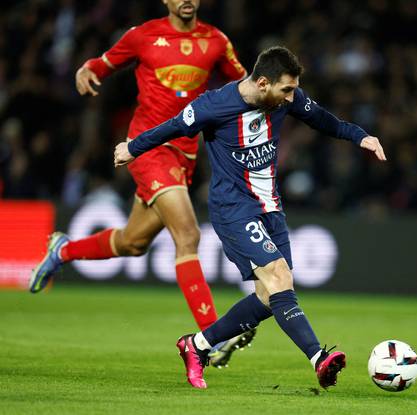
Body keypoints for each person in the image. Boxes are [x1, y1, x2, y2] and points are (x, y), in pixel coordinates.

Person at [113, 46, 387, 389]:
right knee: (279, 276)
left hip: (270, 206)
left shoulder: (285, 99)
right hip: (233, 208)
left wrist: (360, 136)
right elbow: (171, 127)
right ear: (261, 83)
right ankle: (319, 358)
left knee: (269, 297)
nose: (291, 98)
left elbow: (323, 120)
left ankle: (195, 346)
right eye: (285, 90)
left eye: (293, 89)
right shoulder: (214, 105)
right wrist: (132, 147)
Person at [29, 0, 254, 367]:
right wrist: (86, 69)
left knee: (133, 242)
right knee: (188, 235)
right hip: (147, 147)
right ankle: (211, 337)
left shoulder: (215, 41)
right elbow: (101, 64)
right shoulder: (142, 36)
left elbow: (243, 86)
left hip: (185, 153)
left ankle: (64, 251)